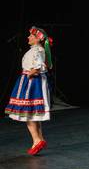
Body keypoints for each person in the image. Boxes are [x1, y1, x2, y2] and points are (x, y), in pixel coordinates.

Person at [5, 26, 53, 155]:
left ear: (37, 39)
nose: (28, 37)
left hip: (31, 82)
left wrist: (29, 74)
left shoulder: (37, 50)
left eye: (31, 36)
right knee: (32, 114)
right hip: (31, 81)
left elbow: (37, 67)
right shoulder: (36, 50)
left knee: (28, 113)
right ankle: (39, 139)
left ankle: (37, 140)